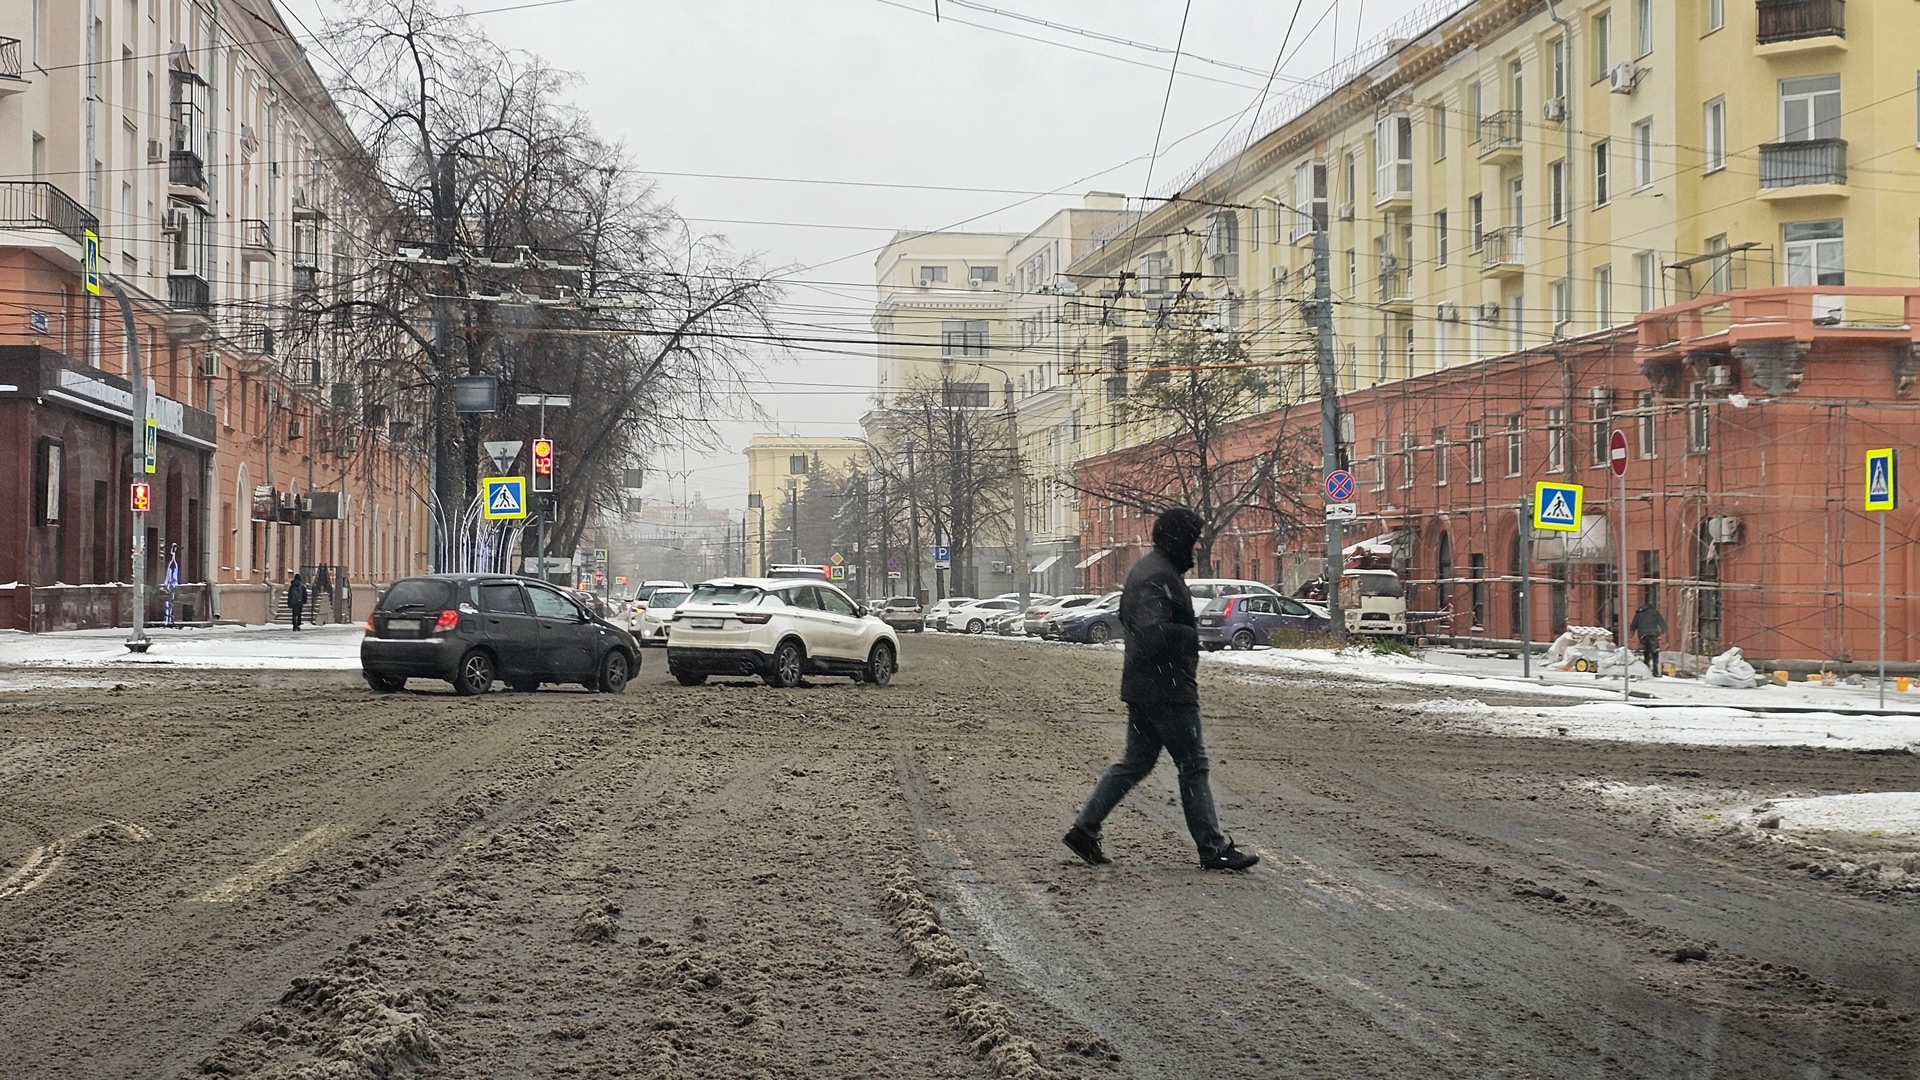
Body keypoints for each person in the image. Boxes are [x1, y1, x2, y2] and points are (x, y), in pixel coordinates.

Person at [1064, 507, 1259, 872]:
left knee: (1135, 762)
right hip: (1165, 688)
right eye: (1193, 538)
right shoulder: (1158, 577)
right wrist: (1190, 634)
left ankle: (1084, 830)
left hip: (1146, 685)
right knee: (1193, 764)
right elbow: (1153, 632)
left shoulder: (1154, 571)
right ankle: (1212, 847)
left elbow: (1137, 625)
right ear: (1178, 540)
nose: (1197, 545)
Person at [1630, 598, 1666, 674]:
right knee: (1654, 651)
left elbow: (1634, 624)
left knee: (1646, 651)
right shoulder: (1654, 612)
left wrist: (1631, 633)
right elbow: (1661, 621)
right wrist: (1663, 630)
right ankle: (1655, 670)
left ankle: (1646, 669)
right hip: (1653, 634)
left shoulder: (1639, 613)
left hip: (1643, 634)